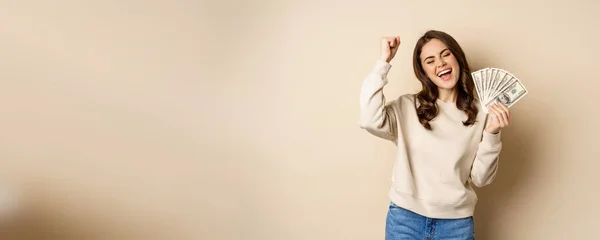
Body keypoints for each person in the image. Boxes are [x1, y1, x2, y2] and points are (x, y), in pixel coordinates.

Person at [358, 30, 511, 239]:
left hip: (456, 226)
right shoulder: (408, 106)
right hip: (405, 220)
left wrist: (493, 133)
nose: (440, 63)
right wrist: (384, 61)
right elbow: (369, 119)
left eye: (445, 54)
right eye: (430, 61)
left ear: (457, 57)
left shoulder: (482, 112)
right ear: (424, 72)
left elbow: (481, 178)